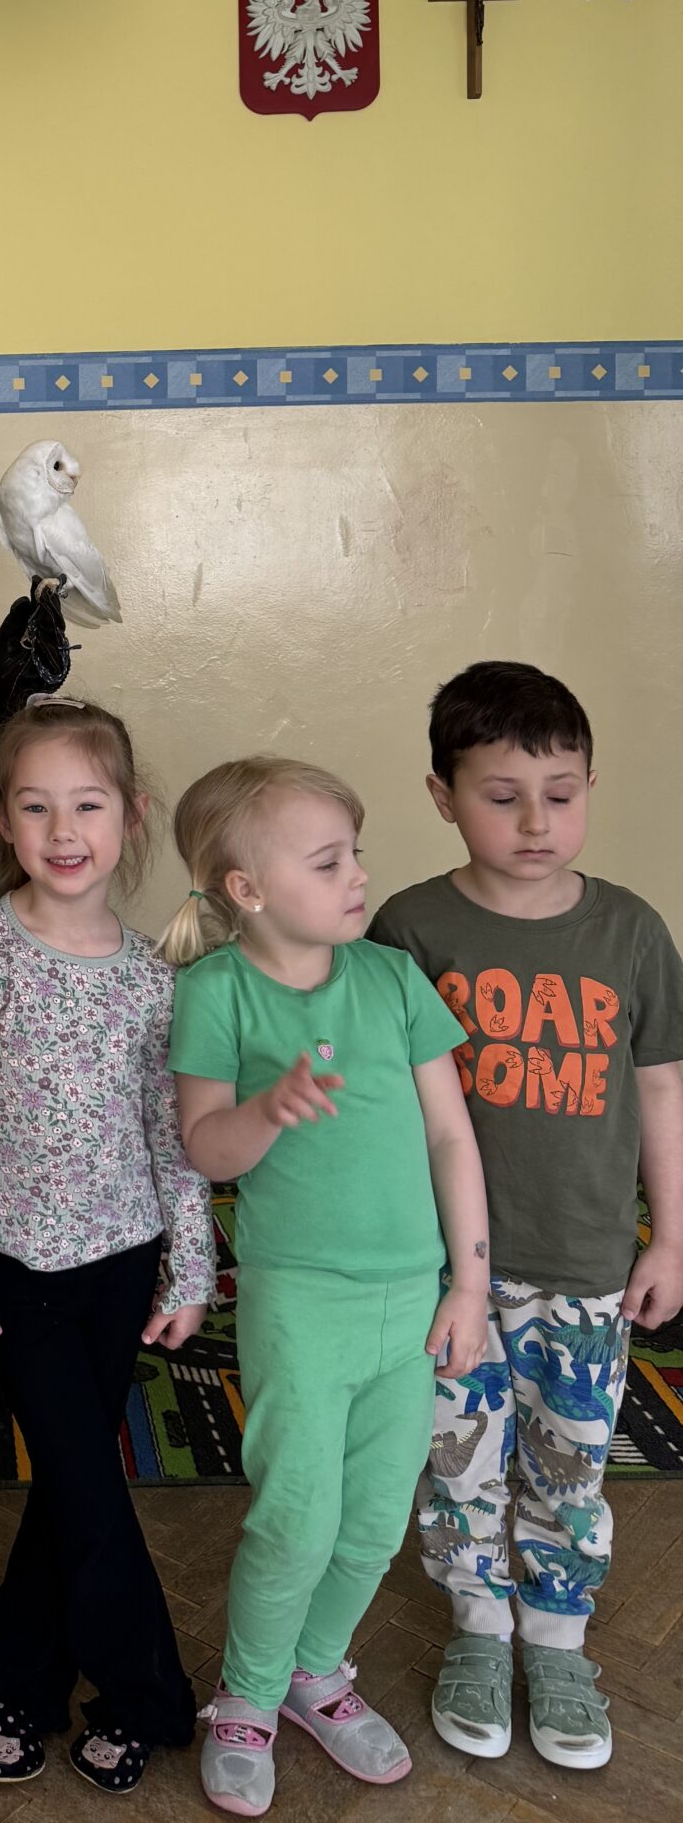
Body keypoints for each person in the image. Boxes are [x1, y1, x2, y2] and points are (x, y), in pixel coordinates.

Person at [371, 662, 683, 1774]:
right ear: (443, 795)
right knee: (458, 1462)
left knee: (569, 1464)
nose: (537, 822)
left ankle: (556, 1643)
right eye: (503, 796)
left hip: (586, 1265)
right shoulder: (410, 927)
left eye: (561, 792)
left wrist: (671, 1236)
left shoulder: (632, 931)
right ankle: (477, 1628)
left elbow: (660, 1089)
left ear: (590, 784)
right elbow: (384, 1106)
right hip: (447, 1268)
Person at [165, 756, 490, 1818]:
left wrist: (469, 1283)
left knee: (374, 1523)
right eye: (328, 860)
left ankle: (315, 1672)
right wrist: (270, 1107)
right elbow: (206, 1146)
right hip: (301, 1301)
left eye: (355, 854)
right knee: (298, 1520)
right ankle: (249, 1696)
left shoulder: (393, 979)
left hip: (414, 1300)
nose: (358, 875)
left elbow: (450, 1136)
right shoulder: (216, 992)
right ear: (248, 889)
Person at [0, 698, 215, 1794]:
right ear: (2, 819)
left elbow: (170, 1135)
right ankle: (146, 1693)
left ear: (130, 815)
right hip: (15, 1270)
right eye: (36, 806)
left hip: (122, 1263)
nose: (63, 830)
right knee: (88, 1485)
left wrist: (191, 1265)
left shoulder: (151, 978)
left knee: (69, 1484)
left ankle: (17, 1674)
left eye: (87, 805)